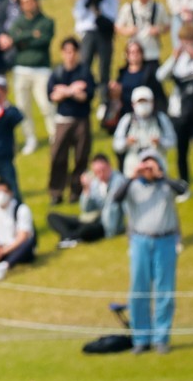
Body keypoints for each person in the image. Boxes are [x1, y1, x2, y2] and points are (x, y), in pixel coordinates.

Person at [112, 149, 185, 354]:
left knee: (165, 291)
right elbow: (116, 198)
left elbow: (184, 190)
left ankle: (161, 337)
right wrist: (132, 176)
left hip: (166, 240)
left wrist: (162, 176)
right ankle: (141, 338)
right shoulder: (133, 186)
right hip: (140, 241)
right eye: (145, 164)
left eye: (151, 165)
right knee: (139, 290)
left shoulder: (166, 186)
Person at [5, 0, 56, 155]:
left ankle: (55, 136)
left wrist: (24, 38)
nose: (28, 4)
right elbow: (14, 39)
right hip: (21, 70)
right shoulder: (18, 22)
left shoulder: (46, 21)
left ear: (36, 1)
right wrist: (31, 35)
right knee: (23, 108)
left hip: (41, 70)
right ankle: (30, 138)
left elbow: (43, 40)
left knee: (46, 105)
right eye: (24, 2)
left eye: (30, 0)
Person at [47, 37, 96, 205]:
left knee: (81, 156)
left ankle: (77, 190)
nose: (70, 55)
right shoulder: (58, 72)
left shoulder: (84, 72)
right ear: (62, 53)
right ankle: (56, 191)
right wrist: (72, 90)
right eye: (67, 52)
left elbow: (86, 95)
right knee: (58, 156)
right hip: (63, 120)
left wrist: (65, 92)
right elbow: (53, 95)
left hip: (82, 119)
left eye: (73, 51)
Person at [47, 153, 127, 247]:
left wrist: (110, 231)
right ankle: (69, 237)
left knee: (86, 229)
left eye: (103, 171)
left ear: (109, 166)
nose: (100, 175)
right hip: (90, 218)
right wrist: (86, 189)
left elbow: (112, 211)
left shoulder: (119, 181)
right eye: (97, 172)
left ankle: (69, 237)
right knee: (52, 217)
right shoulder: (95, 182)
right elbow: (86, 209)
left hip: (104, 224)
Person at [157, 22, 193, 187]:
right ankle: (183, 183)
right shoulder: (176, 61)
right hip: (180, 113)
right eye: (184, 41)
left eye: (191, 41)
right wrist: (174, 57)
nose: (187, 45)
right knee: (182, 151)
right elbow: (160, 76)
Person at [74, 0, 119, 110]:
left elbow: (112, 17)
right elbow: (79, 16)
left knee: (104, 67)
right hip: (88, 34)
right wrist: (89, 3)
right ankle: (86, 95)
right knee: (85, 65)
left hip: (104, 34)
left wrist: (98, 9)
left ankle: (104, 100)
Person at [114, 87, 177, 176]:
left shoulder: (160, 118)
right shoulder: (127, 120)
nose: (143, 105)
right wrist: (127, 142)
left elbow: (172, 141)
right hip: (133, 166)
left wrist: (160, 141)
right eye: (140, 102)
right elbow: (117, 145)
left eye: (146, 102)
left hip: (157, 164)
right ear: (133, 104)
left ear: (152, 102)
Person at [109, 40, 166, 133]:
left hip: (146, 114)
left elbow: (158, 95)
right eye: (131, 52)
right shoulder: (122, 73)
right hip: (127, 114)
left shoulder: (149, 72)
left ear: (142, 54)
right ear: (127, 55)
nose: (135, 55)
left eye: (137, 52)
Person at [115, 0, 167, 73]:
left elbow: (167, 25)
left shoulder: (158, 7)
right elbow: (118, 27)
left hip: (152, 52)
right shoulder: (128, 8)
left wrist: (158, 29)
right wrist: (128, 30)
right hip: (134, 55)